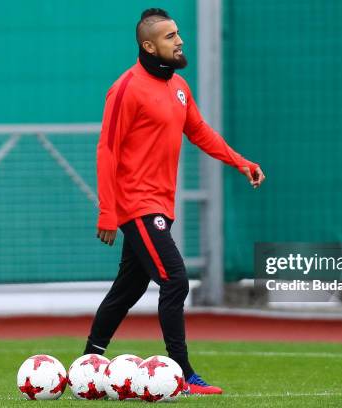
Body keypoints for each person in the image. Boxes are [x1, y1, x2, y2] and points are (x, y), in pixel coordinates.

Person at [84, 8, 265, 395]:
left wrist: (241, 162)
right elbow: (107, 149)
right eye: (170, 36)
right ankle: (182, 375)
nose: (179, 40)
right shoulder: (126, 87)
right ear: (149, 45)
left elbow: (199, 131)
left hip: (159, 205)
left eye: (178, 33)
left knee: (128, 289)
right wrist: (107, 209)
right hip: (137, 204)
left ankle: (88, 363)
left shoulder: (179, 87)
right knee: (175, 278)